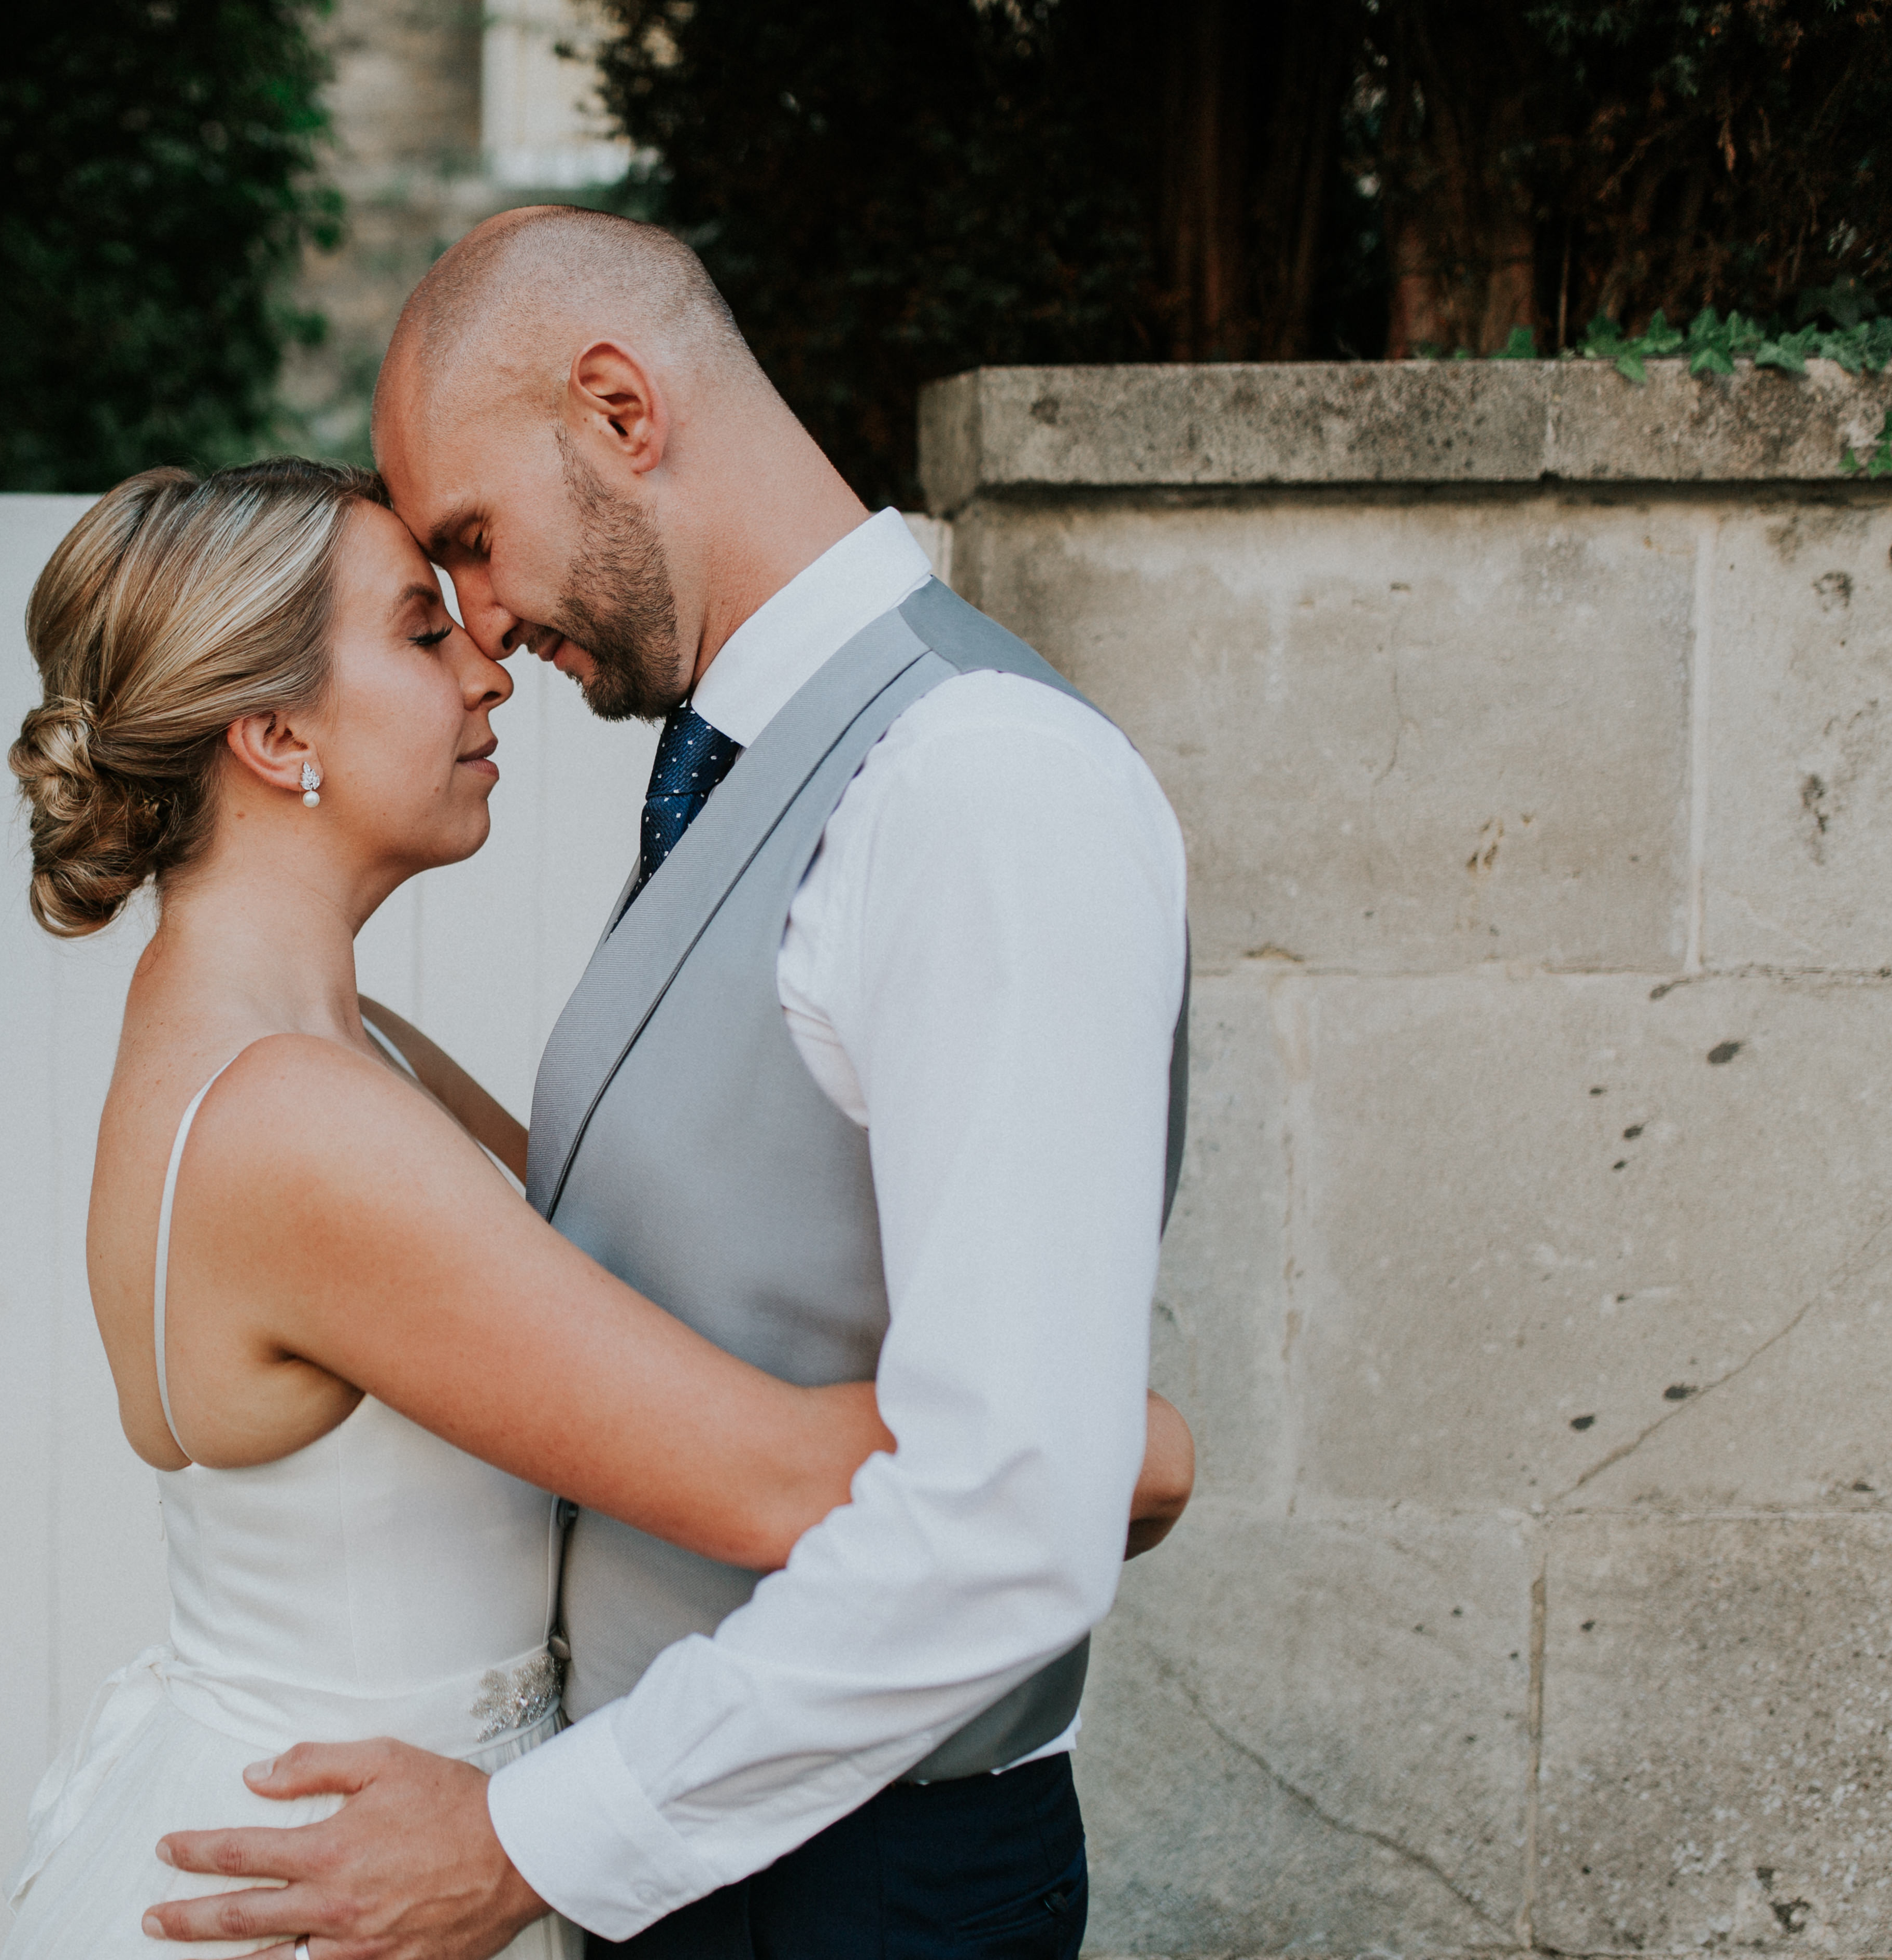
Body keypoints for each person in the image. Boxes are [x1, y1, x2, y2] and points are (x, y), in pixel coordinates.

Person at [137, 209, 1193, 1960]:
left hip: (859, 1885)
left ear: (622, 412)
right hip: (687, 1862)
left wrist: (533, 1840)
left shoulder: (978, 783)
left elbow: (1009, 1504)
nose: (483, 626)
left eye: (471, 542)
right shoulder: (739, 766)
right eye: (432, 595)